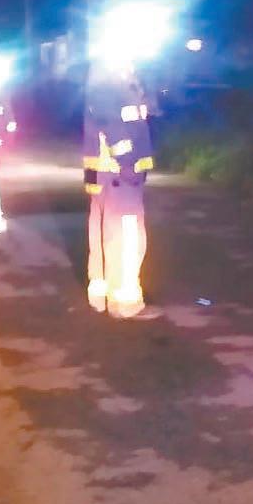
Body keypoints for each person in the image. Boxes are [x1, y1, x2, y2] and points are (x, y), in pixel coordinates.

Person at [82, 63, 161, 319]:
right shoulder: (111, 82)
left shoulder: (112, 80)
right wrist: (126, 161)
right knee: (126, 238)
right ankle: (126, 303)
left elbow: (148, 111)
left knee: (103, 236)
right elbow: (113, 125)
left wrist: (140, 85)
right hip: (119, 175)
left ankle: (101, 296)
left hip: (106, 175)